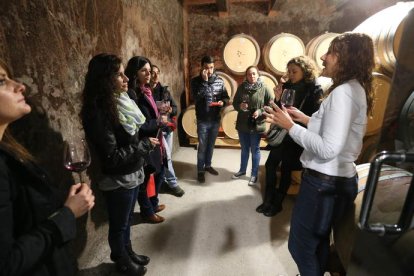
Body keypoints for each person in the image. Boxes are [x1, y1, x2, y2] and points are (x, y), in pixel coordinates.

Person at [264, 33, 375, 275]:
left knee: (300, 247)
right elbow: (334, 129)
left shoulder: (344, 93)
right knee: (319, 242)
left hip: (324, 184)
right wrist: (303, 118)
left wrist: (290, 127)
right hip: (337, 180)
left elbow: (327, 148)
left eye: (331, 52)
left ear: (347, 59)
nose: (323, 57)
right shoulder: (354, 88)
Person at [0, 59, 95, 275]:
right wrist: (68, 213)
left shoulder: (12, 148)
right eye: (0, 81)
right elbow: (6, 264)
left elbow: (23, 219)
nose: (19, 85)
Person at [81, 54, 156, 276]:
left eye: (124, 73)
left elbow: (129, 135)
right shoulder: (98, 112)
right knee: (119, 224)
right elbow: (112, 156)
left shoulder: (120, 101)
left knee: (126, 220)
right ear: (105, 79)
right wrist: (143, 147)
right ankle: (121, 260)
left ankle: (127, 251)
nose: (126, 78)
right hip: (119, 176)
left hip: (132, 170)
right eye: (119, 74)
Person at [257, 56, 323, 217]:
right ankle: (268, 199)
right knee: (271, 164)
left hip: (298, 134)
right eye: (289, 71)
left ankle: (278, 203)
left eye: (295, 71)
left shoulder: (313, 89)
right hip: (282, 132)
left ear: (305, 71)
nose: (291, 74)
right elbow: (279, 108)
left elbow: (314, 116)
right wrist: (278, 99)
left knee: (286, 167)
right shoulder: (286, 86)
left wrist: (296, 119)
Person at [125, 56, 167, 223]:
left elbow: (150, 113)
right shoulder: (133, 94)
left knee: (158, 171)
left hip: (155, 139)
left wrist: (160, 112)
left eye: (150, 70)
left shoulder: (146, 90)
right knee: (145, 179)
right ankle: (147, 211)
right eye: (144, 70)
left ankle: (153, 203)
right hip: (144, 140)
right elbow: (139, 124)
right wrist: (157, 121)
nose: (149, 74)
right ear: (135, 73)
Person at [231, 66, 273, 186]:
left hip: (256, 124)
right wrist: (240, 106)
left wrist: (260, 111)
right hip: (243, 123)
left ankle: (254, 174)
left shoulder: (264, 88)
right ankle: (242, 170)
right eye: (249, 74)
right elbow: (235, 103)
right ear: (246, 76)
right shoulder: (242, 87)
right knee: (244, 150)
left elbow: (270, 105)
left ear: (258, 75)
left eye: (254, 74)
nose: (252, 76)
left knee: (255, 150)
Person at [190, 55, 230, 183]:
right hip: (202, 119)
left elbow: (226, 97)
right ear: (202, 67)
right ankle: (200, 170)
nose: (209, 70)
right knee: (202, 146)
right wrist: (205, 82)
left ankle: (208, 165)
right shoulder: (195, 81)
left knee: (211, 145)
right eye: (207, 68)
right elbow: (196, 97)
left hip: (215, 119)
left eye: (212, 68)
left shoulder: (220, 81)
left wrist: (222, 103)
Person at [150, 65, 185, 197]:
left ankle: (163, 180)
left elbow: (175, 107)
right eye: (152, 73)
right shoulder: (145, 92)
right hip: (156, 130)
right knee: (168, 157)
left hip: (167, 128)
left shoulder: (164, 91)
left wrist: (171, 110)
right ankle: (173, 183)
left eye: (157, 73)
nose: (155, 75)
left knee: (165, 156)